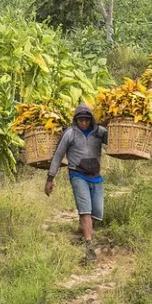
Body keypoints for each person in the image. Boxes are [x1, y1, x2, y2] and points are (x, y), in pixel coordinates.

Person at [44, 104, 108, 263]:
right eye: (80, 120)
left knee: (97, 212)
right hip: (77, 174)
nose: (84, 123)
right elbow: (58, 155)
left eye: (86, 120)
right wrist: (50, 178)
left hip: (96, 176)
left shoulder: (99, 132)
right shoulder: (70, 134)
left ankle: (81, 233)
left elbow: (114, 141)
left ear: (91, 120)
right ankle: (89, 246)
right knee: (85, 211)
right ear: (76, 120)